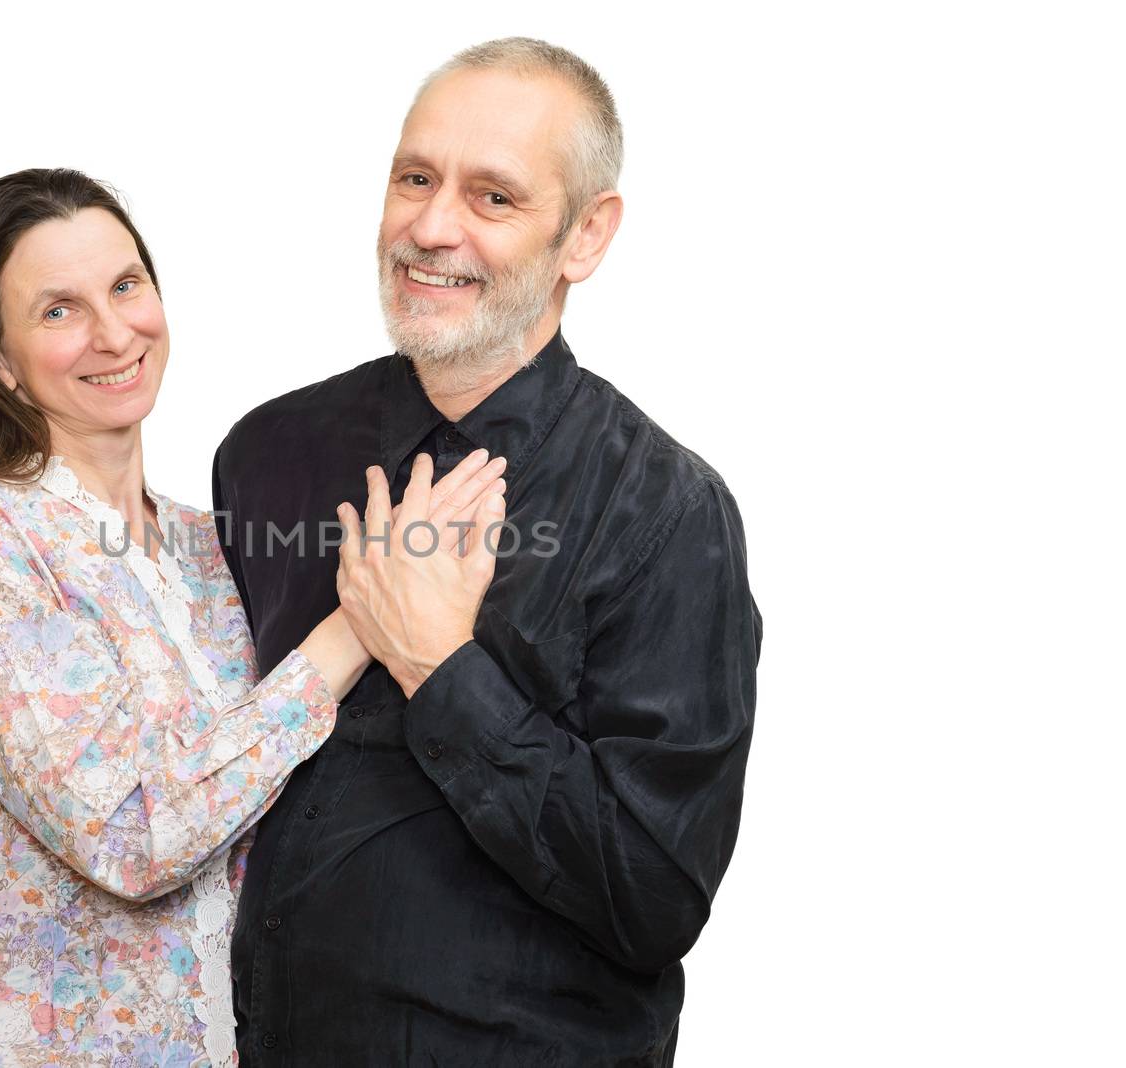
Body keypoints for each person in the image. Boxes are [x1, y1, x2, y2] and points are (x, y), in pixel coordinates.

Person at [0, 168, 508, 1065]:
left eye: (126, 286)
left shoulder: (210, 548)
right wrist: (365, 620)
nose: (113, 331)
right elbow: (134, 834)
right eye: (58, 311)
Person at [213, 38, 763, 1065]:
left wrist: (440, 667)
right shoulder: (269, 454)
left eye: (492, 197)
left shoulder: (666, 512)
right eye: (413, 178)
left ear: (585, 236)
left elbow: (652, 894)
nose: (429, 227)